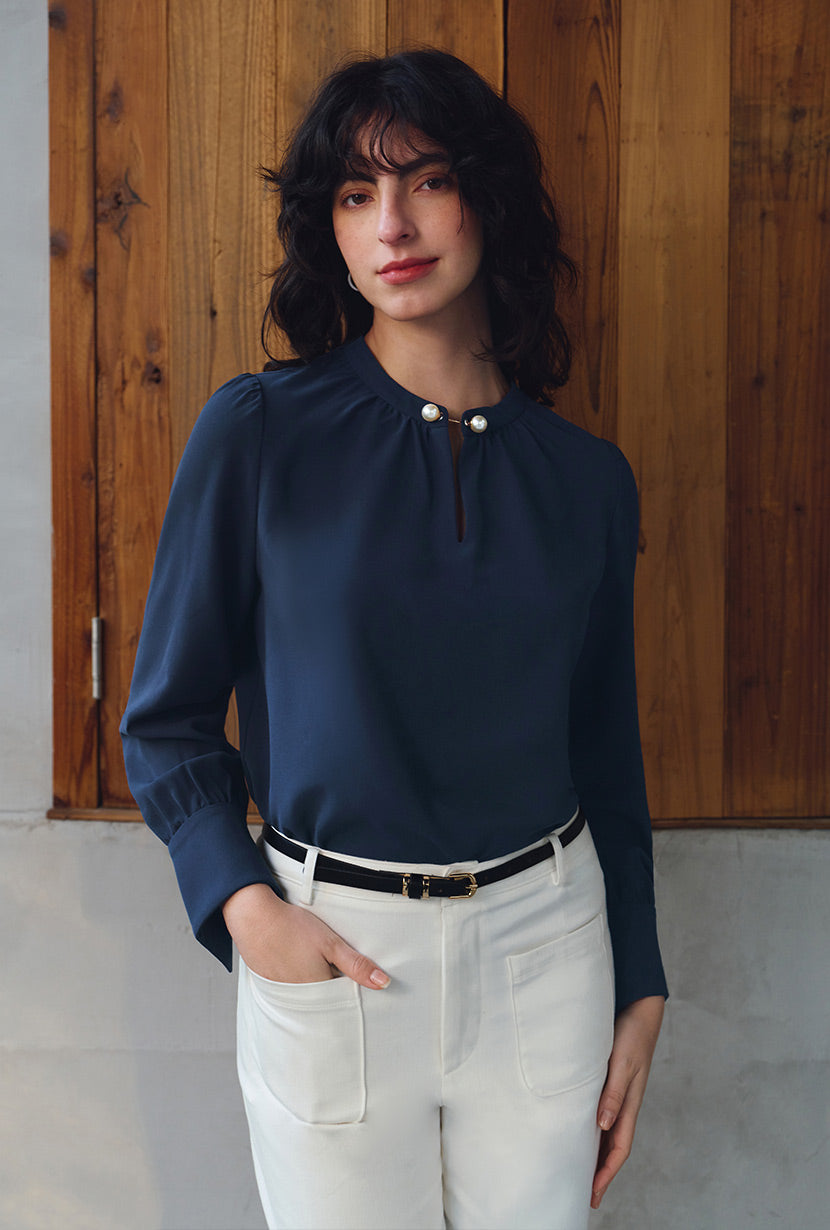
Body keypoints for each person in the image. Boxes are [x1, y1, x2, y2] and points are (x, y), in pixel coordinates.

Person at [121, 47, 668, 1230]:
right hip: (333, 946)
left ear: (487, 197)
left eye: (426, 180)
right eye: (355, 194)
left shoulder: (586, 481)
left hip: (548, 949)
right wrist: (248, 911)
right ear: (327, 229)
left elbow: (603, 754)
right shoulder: (257, 434)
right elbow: (164, 724)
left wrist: (639, 981)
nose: (393, 225)